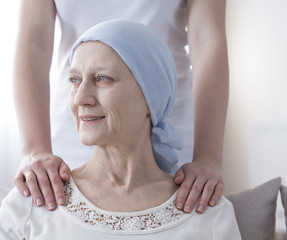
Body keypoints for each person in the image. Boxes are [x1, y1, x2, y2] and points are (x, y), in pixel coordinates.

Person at [1, 20, 241, 240]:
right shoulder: (32, 201)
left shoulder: (209, 214)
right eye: (74, 80)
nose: (80, 98)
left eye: (102, 78)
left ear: (151, 99)